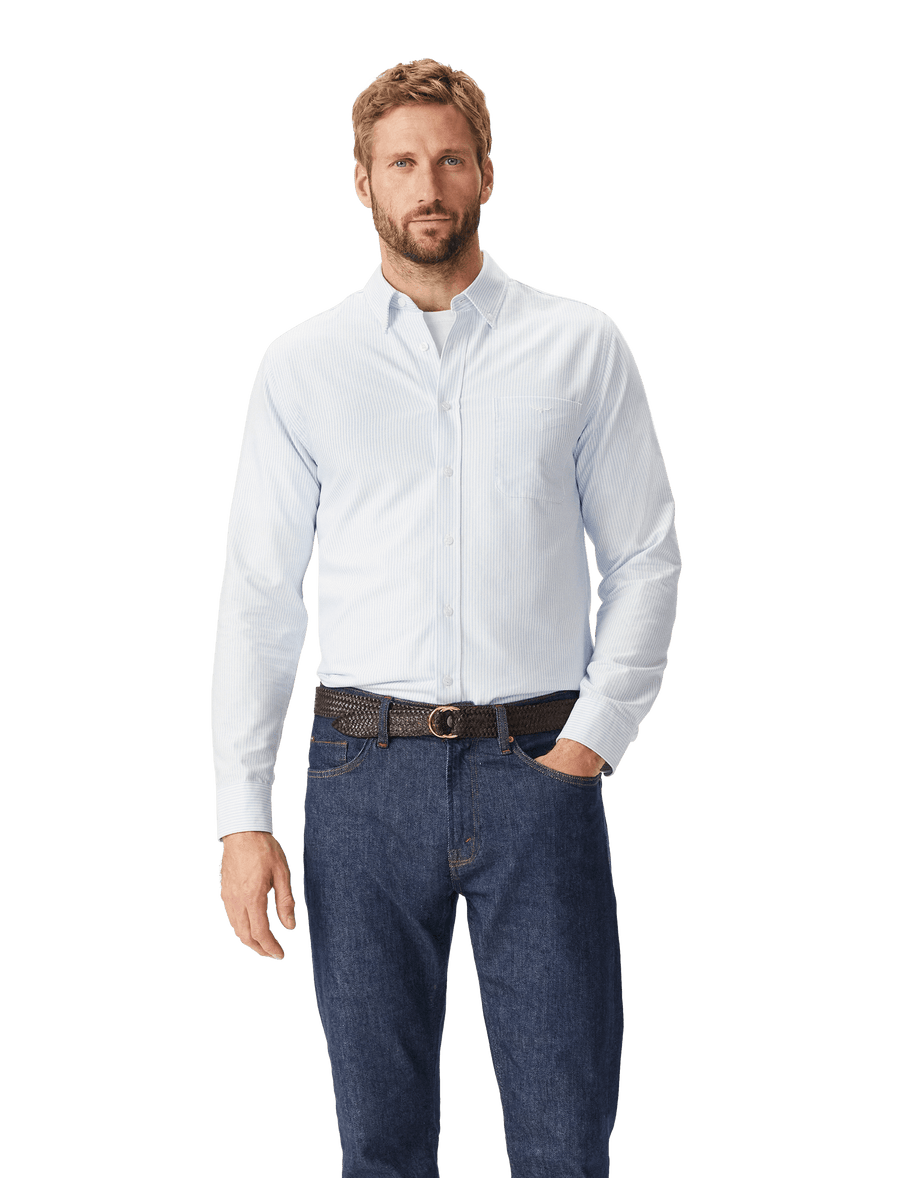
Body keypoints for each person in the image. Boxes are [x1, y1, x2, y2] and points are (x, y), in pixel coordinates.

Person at [211, 57, 681, 1178]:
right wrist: (241, 815)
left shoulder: (580, 346)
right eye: (402, 163)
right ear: (363, 183)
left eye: (450, 159)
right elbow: (260, 594)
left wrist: (589, 741)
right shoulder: (302, 365)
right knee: (379, 1144)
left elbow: (647, 558)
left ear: (486, 174)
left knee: (564, 1139)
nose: (428, 184)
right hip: (360, 777)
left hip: (540, 765)